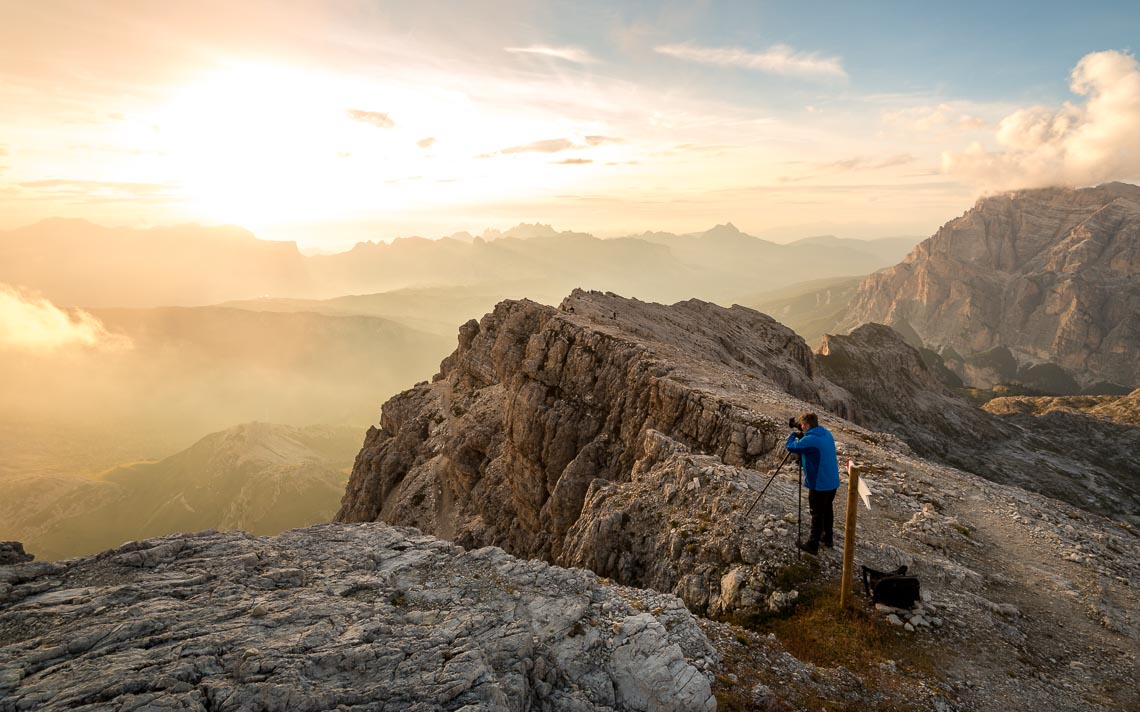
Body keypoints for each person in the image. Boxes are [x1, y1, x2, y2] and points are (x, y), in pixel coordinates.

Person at [785, 412, 840, 555]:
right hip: (832, 481)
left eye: (802, 425)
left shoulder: (810, 440)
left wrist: (793, 435)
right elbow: (810, 436)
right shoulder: (825, 433)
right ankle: (828, 538)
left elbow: (791, 447)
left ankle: (812, 544)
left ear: (808, 425)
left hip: (819, 483)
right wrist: (801, 430)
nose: (801, 427)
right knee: (827, 509)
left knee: (816, 513)